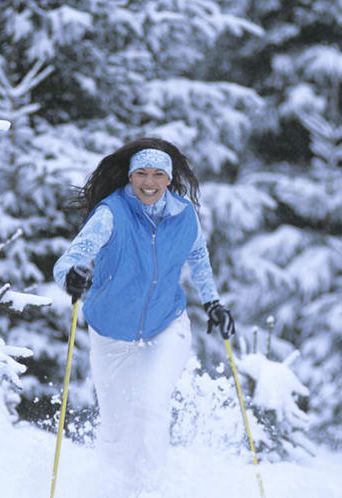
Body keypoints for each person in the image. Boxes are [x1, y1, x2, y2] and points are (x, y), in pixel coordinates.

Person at [53, 137, 235, 497]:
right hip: (110, 330)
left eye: (157, 174)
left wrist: (213, 302)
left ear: (169, 179)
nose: (149, 182)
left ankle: (150, 491)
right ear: (130, 176)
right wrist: (71, 276)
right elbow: (69, 260)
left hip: (166, 324)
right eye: (141, 173)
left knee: (151, 407)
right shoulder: (111, 213)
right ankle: (110, 489)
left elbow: (199, 259)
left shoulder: (185, 216)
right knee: (116, 427)